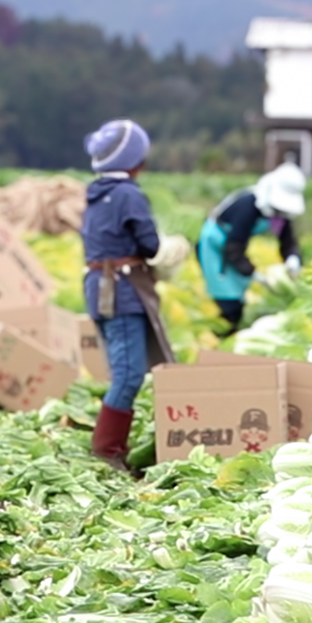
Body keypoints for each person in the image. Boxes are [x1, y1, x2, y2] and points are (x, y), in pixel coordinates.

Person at [80, 119, 188, 472]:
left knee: (123, 369)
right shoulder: (128, 195)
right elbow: (150, 244)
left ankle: (109, 447)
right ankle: (108, 452)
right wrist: (169, 248)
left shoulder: (95, 193)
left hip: (98, 288)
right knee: (128, 375)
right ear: (136, 161)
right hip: (123, 291)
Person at [197, 163, 307, 329]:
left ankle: (229, 333)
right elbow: (233, 246)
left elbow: (288, 241)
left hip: (234, 247)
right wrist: (255, 274)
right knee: (228, 300)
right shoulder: (248, 206)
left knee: (239, 297)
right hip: (216, 245)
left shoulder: (280, 212)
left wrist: (293, 259)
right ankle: (220, 337)